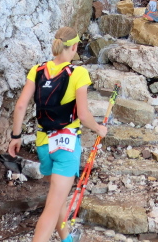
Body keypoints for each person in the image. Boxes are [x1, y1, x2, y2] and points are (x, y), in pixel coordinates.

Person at [7, 27, 107, 242]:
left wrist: (16, 137)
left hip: (43, 144)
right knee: (51, 209)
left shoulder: (37, 70)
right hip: (66, 147)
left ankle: (67, 239)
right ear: (74, 47)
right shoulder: (78, 73)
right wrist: (99, 129)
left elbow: (21, 105)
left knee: (57, 198)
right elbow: (83, 114)